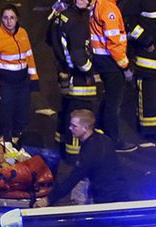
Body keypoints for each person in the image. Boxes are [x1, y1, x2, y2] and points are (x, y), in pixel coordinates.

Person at [50, 0, 97, 156]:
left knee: (66, 110)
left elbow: (50, 40)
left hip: (64, 73)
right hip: (78, 78)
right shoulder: (78, 22)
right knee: (79, 115)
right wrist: (89, 70)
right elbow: (78, 55)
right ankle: (75, 153)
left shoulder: (62, 16)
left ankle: (61, 144)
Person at [122, 0, 156, 140]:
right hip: (147, 55)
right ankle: (149, 129)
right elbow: (128, 21)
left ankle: (155, 125)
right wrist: (146, 40)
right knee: (148, 93)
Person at [0, 5, 38, 142]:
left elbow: (29, 56)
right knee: (5, 116)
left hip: (22, 82)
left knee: (22, 115)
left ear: (17, 18)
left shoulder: (23, 33)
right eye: (5, 18)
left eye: (12, 18)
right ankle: (6, 145)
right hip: (6, 83)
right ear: (1, 19)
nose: (9, 22)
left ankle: (18, 143)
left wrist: (34, 78)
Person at [89, 0, 137, 152]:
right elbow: (114, 44)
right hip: (111, 61)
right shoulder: (109, 8)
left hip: (101, 59)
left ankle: (100, 128)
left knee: (109, 97)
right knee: (114, 102)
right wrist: (126, 67)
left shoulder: (99, 4)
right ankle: (113, 139)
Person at [51, 109, 125, 203]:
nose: (70, 128)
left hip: (106, 198)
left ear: (85, 128)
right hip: (119, 192)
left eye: (74, 126)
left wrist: (49, 199)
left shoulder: (89, 151)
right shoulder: (104, 139)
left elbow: (73, 178)